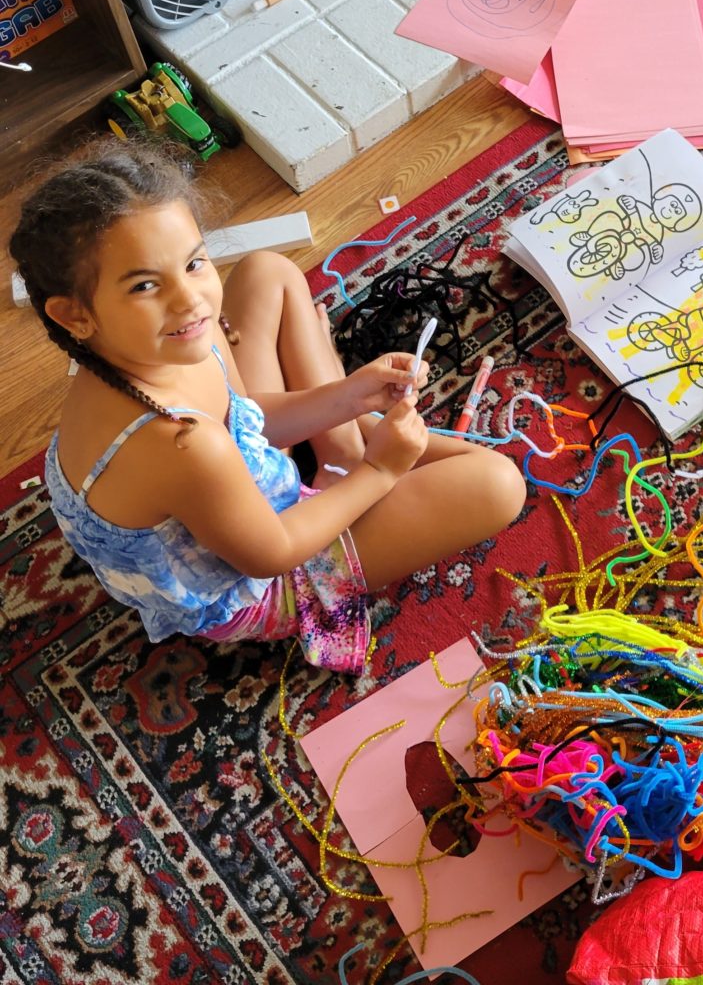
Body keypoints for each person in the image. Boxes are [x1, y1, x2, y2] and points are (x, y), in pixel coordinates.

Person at [9, 139, 526, 674]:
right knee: (497, 483)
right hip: (259, 577)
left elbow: (249, 415)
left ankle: (340, 448)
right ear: (74, 316)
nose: (191, 301)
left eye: (194, 263)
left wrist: (350, 395)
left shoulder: (169, 342)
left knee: (267, 272)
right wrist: (378, 470)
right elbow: (273, 552)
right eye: (144, 285)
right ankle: (347, 457)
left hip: (229, 483)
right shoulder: (180, 441)